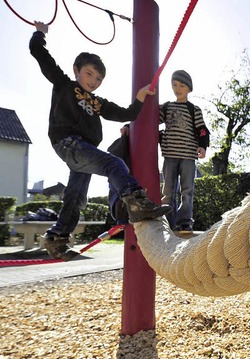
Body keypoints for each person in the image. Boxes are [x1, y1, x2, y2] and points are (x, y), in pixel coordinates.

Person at [29, 21, 172, 261]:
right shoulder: (65, 84)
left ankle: (57, 239)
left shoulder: (98, 102)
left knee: (75, 197)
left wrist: (139, 98)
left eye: (98, 78)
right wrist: (40, 33)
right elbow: (39, 53)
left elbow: (127, 114)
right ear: (76, 70)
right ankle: (136, 203)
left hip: (84, 152)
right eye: (89, 74)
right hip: (68, 143)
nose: (93, 81)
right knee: (113, 163)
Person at [122, 70, 209, 234]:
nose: (178, 88)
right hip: (170, 155)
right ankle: (168, 221)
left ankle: (184, 222)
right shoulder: (168, 107)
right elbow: (149, 120)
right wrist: (129, 126)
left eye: (182, 86)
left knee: (187, 190)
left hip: (188, 155)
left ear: (189, 88)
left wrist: (203, 146)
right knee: (168, 190)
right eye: (175, 85)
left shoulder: (194, 109)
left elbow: (202, 130)